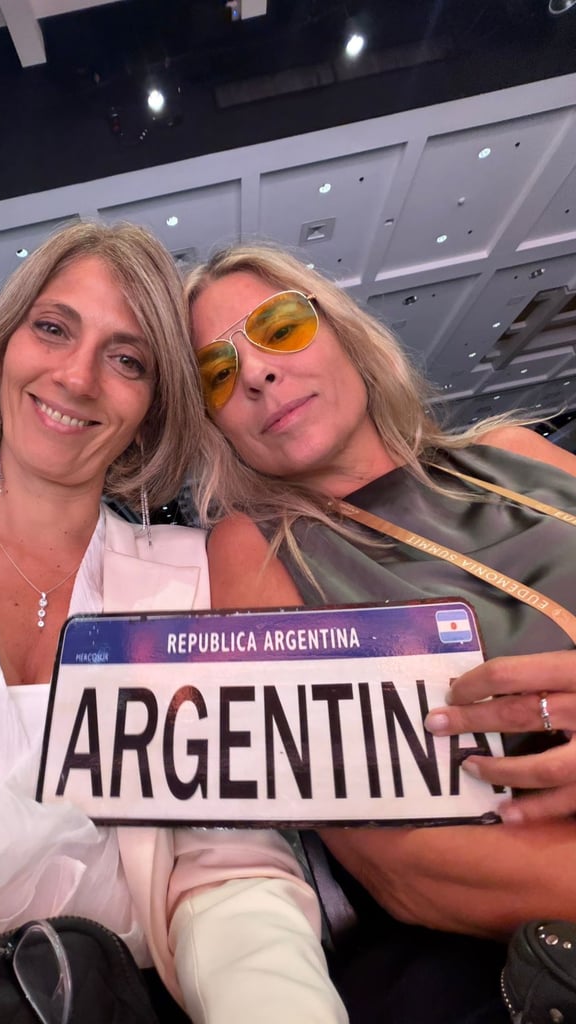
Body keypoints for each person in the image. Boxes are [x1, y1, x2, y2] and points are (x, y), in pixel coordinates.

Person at [0, 223, 347, 1024]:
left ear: (151, 408)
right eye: (54, 328)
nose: (77, 376)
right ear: (4, 345)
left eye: (127, 360)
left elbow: (230, 871)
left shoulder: (195, 578)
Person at [184, 241, 576, 1024]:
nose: (256, 373)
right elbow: (405, 864)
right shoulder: (255, 551)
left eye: (280, 328)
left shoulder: (513, 454)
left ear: (343, 331)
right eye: (218, 374)